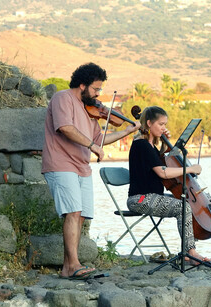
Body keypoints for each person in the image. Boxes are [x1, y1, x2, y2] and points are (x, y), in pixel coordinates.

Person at [41, 62, 140, 279]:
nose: (98, 94)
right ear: (82, 85)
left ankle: (69, 267)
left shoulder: (91, 110)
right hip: (61, 163)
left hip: (82, 166)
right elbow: (65, 127)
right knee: (72, 212)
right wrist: (92, 146)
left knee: (81, 216)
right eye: (96, 89)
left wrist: (125, 132)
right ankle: (74, 264)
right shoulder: (63, 98)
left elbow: (99, 140)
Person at [127, 106, 210, 266]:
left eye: (165, 124)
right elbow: (163, 172)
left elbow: (158, 162)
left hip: (153, 196)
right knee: (183, 207)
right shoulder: (141, 145)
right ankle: (190, 253)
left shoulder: (150, 145)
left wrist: (164, 146)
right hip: (140, 199)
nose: (164, 128)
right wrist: (190, 169)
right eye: (161, 124)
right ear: (149, 123)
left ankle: (190, 250)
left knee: (187, 201)